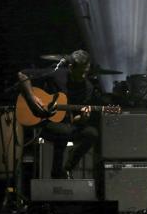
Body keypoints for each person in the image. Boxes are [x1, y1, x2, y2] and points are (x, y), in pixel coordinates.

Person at [17, 49, 98, 179]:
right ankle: (56, 173)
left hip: (67, 125)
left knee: (92, 133)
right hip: (45, 122)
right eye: (81, 71)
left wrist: (83, 117)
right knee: (64, 131)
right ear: (71, 67)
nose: (84, 75)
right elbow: (22, 74)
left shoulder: (87, 88)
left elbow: (74, 119)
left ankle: (67, 168)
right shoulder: (57, 74)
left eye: (86, 71)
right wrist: (32, 99)